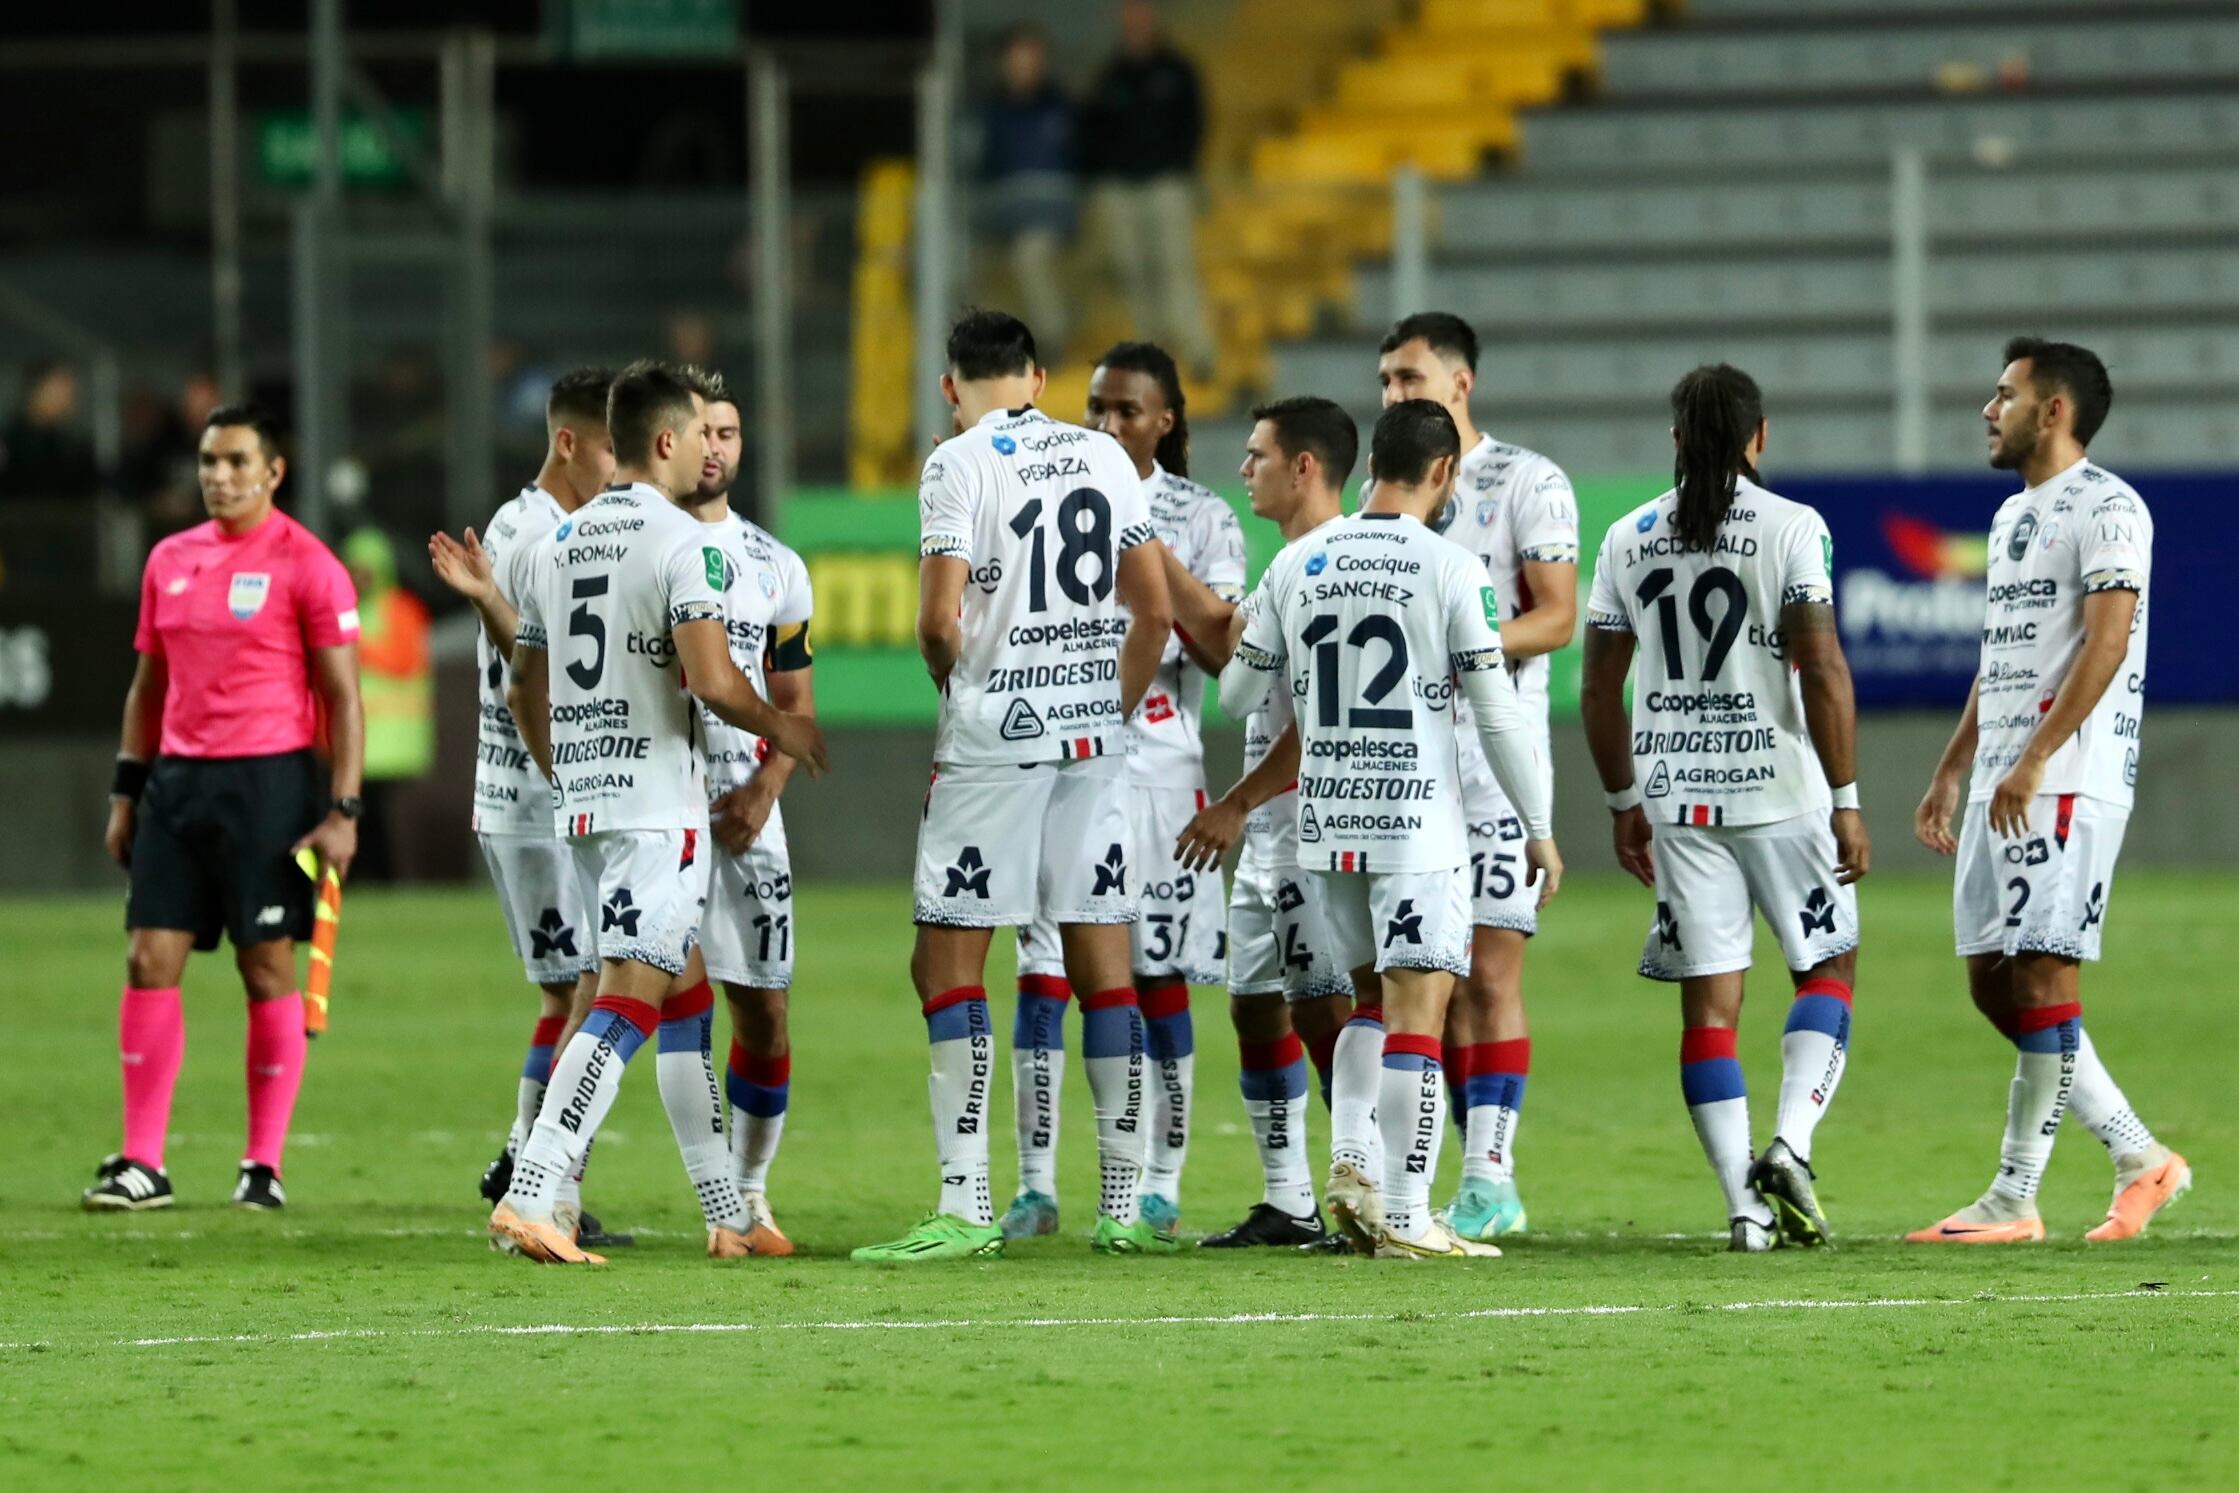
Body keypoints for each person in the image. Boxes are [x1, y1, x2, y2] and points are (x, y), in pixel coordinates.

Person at [487, 361, 826, 1265]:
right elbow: (714, 681)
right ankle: (534, 1190)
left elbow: (524, 680)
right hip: (659, 808)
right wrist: (785, 730)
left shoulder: (559, 542)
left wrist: (567, 770)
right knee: (627, 1001)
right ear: (668, 440)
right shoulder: (687, 544)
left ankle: (729, 1211)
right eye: (696, 435)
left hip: (591, 806)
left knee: (676, 995)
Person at [853, 309, 1173, 1262]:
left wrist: (961, 692)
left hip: (994, 739)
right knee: (1103, 964)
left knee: (946, 965)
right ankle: (1123, 1203)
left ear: (950, 388)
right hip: (1091, 741)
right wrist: (1103, 710)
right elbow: (1151, 614)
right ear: (1036, 377)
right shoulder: (1106, 457)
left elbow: (936, 618)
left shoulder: (956, 462)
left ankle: (965, 1202)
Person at [1220, 399, 1561, 1259]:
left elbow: (1232, 696)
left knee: (1369, 998)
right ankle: (1408, 1212)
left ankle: (1350, 1168)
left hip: (1328, 821)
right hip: (1417, 823)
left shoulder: (1298, 562)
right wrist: (1539, 827)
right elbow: (1495, 713)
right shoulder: (1450, 567)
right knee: (1418, 1006)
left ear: (1372, 462)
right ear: (1443, 472)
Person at [1579, 364, 1867, 1253]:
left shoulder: (1626, 538)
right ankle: (1790, 1144)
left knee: (1708, 1010)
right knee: (1827, 968)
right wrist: (1847, 799)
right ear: (1759, 437)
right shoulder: (1791, 528)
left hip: (1675, 796)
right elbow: (1818, 670)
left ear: (1674, 441)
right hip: (1780, 790)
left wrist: (1623, 799)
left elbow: (1597, 689)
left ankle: (1742, 1212)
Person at [1907, 338, 2189, 1245]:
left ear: (2053, 410)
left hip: (2064, 776)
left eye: (2004, 395)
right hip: (2003, 775)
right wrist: (1956, 764)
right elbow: (2001, 657)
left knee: (2039, 972)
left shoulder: (2109, 507)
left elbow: (2106, 642)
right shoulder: (2008, 518)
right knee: (1993, 985)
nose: (1987, 410)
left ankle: (2013, 1193)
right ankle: (2138, 1154)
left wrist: (2035, 757)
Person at [85, 404, 364, 1212]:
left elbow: (342, 698)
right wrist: (125, 792)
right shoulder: (169, 559)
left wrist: (342, 807)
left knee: (265, 964)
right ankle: (143, 1161)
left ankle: (262, 1164)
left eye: (237, 461)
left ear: (274, 472)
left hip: (269, 785)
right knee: (148, 958)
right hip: (176, 783)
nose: (218, 476)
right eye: (209, 461)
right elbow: (148, 686)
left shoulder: (309, 563)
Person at [997, 342, 1242, 1243]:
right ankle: (1033, 1185)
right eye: (1095, 407)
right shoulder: (1049, 493)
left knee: (1158, 977)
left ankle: (1157, 1185)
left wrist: (1141, 537)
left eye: (1125, 411)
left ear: (1165, 420)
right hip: (1056, 766)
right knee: (1041, 972)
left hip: (1160, 777)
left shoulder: (1205, 518)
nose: (1105, 424)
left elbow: (1222, 651)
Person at [1374, 312, 1578, 1241]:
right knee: (1426, 978)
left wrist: (1465, 644)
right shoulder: (1377, 494)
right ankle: (1439, 1172)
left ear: (1461, 384)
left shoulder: (1526, 480)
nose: (1394, 396)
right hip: (1404, 766)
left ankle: (1491, 1173)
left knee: (1489, 971)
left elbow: (1558, 616)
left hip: (1495, 766)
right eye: (1385, 381)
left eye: (1409, 379)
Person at [428, 367, 629, 1249]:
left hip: (561, 795)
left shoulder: (578, 526)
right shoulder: (523, 530)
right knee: (581, 990)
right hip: (529, 797)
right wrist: (487, 600)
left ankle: (533, 1171)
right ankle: (536, 1185)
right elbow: (526, 661)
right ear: (567, 443)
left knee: (578, 989)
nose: (625, 467)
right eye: (614, 448)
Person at [1168, 396, 1359, 1249]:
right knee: (1254, 1009)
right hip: (1267, 834)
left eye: (1257, 455)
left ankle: (1370, 1180)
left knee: (1322, 1013)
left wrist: (1237, 802)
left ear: (1303, 467)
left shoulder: (1337, 571)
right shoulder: (1283, 567)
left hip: (1310, 830)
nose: (1243, 469)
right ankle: (1287, 1201)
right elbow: (1223, 638)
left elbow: (1322, 718)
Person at [679, 370, 817, 1257]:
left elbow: (795, 697)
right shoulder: (647, 549)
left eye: (729, 431)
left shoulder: (777, 565)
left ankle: (753, 1192)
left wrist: (765, 788)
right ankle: (715, 1201)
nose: (717, 447)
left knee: (763, 1013)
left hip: (749, 811)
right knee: (665, 1002)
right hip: (663, 809)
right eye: (704, 432)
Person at [1080, 0, 1213, 374]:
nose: (1136, 21)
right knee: (1132, 271)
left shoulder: (1177, 70)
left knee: (1176, 266)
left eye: (1142, 12)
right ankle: (1151, 353)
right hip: (1122, 188)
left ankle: (1197, 348)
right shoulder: (1110, 76)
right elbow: (1094, 132)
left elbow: (1194, 122)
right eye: (1129, 14)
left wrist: (1181, 165)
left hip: (1166, 182)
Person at [341, 526, 435, 882]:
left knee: (380, 815)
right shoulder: (345, 607)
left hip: (392, 739)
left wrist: (354, 649)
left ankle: (386, 878)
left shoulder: (403, 610)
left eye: (365, 569)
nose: (360, 577)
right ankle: (361, 876)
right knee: (359, 811)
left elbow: (405, 659)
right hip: (357, 735)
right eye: (354, 569)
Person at [979, 24, 1078, 356]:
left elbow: (1078, 173)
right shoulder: (993, 113)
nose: (1024, 67)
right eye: (1018, 59)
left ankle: (1053, 341)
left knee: (1030, 255)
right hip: (1005, 221)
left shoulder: (1062, 107)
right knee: (974, 261)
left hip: (1054, 222)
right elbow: (986, 175)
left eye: (1031, 58)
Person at [0, 358, 100, 500]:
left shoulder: (75, 448)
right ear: (38, 391)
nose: (70, 399)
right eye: (62, 390)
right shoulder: (11, 445)